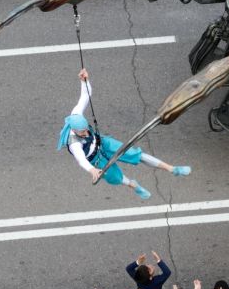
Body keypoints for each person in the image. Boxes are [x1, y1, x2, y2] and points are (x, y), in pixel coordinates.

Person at [59, 69, 192, 200]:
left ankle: (172, 169)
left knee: (135, 154)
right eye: (82, 132)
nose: (86, 132)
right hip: (95, 160)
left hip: (103, 143)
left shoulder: (76, 114)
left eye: (85, 129)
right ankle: (134, 186)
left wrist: (85, 82)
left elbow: (85, 96)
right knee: (116, 177)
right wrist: (92, 170)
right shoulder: (74, 143)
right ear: (74, 130)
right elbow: (81, 159)